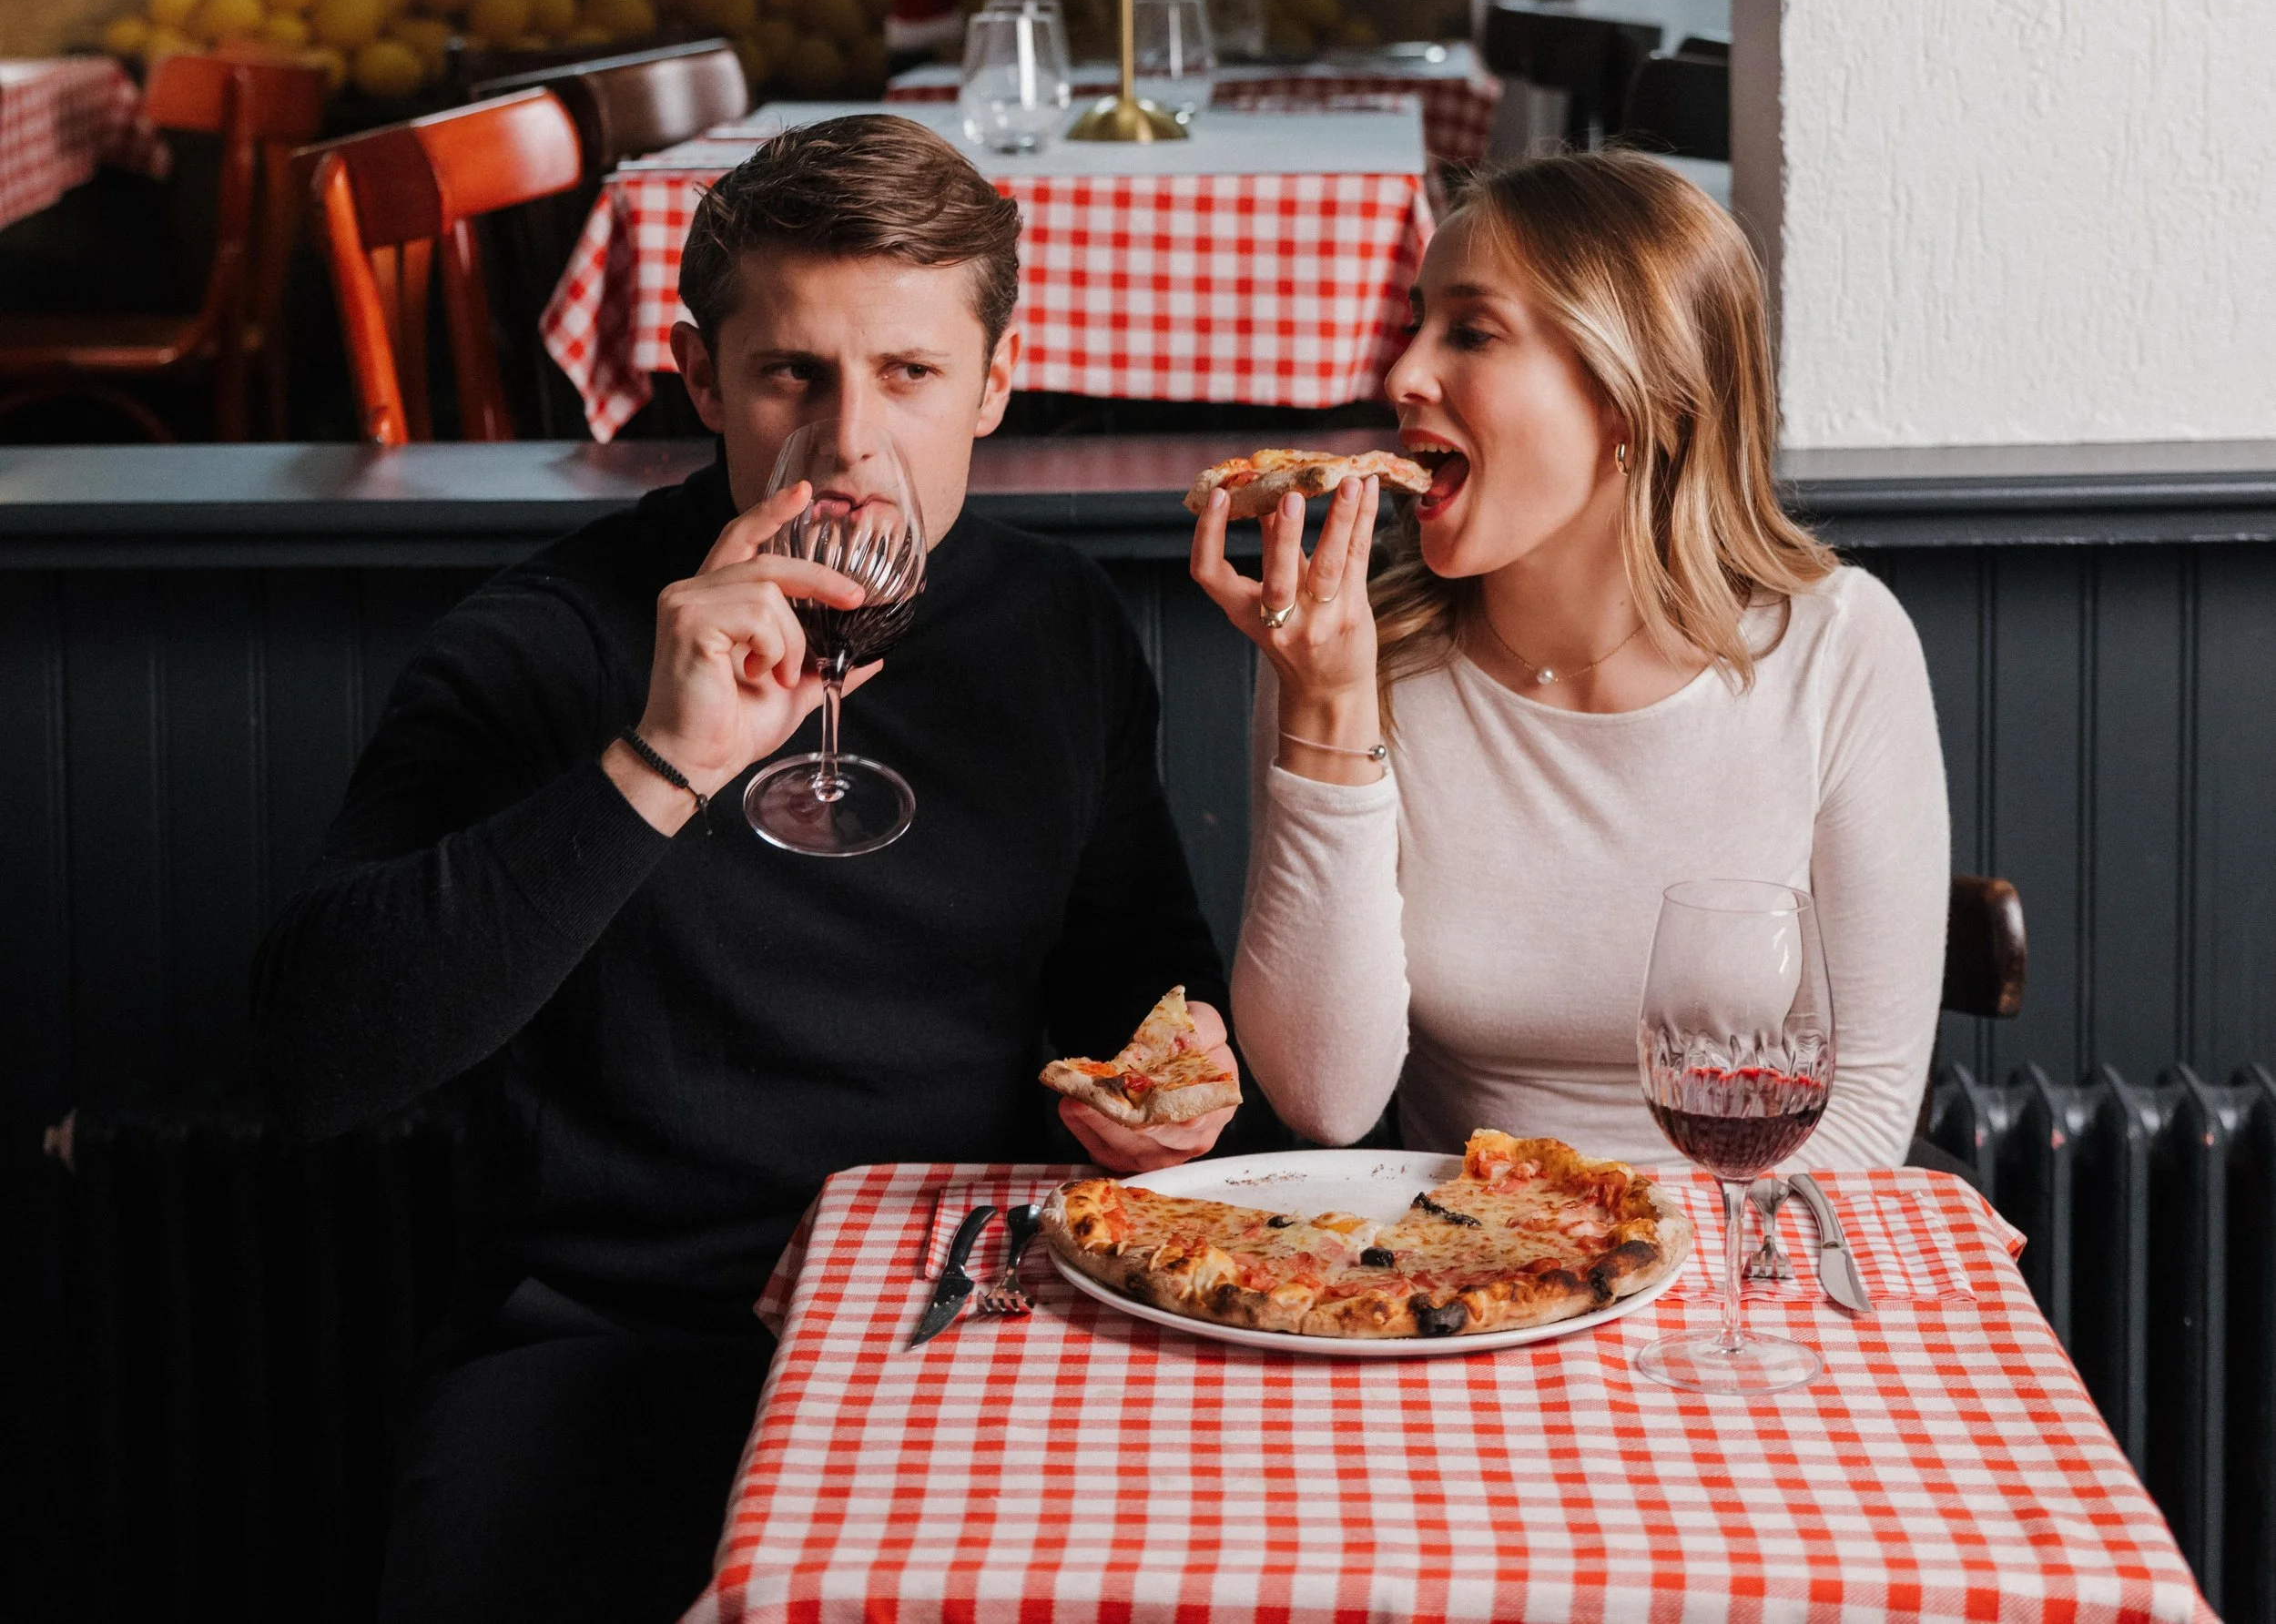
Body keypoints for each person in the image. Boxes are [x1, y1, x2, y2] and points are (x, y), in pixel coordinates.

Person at [252, 113, 1237, 1624]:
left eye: (908, 375)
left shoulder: (1059, 631)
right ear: (700, 376)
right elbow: (310, 1058)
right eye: (793, 373)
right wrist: (660, 761)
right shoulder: (547, 641)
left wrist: (1166, 1093)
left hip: (968, 1320)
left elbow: (1138, 993)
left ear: (996, 381)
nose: (849, 441)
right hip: (614, 1342)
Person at [1192, 147, 1948, 1170]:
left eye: (1470, 331)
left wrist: (1630, 1267)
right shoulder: (1349, 654)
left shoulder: (1839, 649)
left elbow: (1859, 1119)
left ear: (1629, 399)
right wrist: (1325, 714)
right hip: (1462, 1284)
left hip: (1738, 1270)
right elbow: (1326, 1098)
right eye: (1417, 323)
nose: (1402, 373)